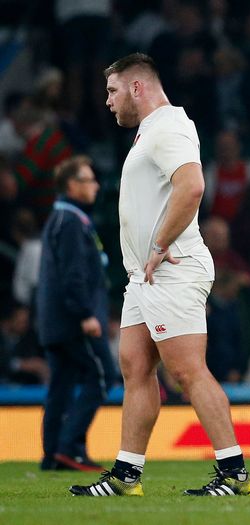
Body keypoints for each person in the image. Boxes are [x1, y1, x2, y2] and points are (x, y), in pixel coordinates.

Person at [69, 53, 250, 497]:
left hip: (171, 270)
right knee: (134, 367)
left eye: (113, 90)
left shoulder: (168, 126)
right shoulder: (151, 131)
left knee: (188, 371)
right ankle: (126, 474)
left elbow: (192, 185)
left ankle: (236, 473)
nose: (108, 101)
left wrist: (158, 244)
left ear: (137, 88)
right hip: (144, 276)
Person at [37, 155, 116, 472]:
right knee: (103, 375)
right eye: (88, 180)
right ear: (72, 185)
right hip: (73, 321)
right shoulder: (70, 222)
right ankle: (70, 448)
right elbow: (73, 275)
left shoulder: (61, 219)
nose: (95, 185)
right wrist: (86, 313)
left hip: (55, 321)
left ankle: (53, 454)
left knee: (61, 385)